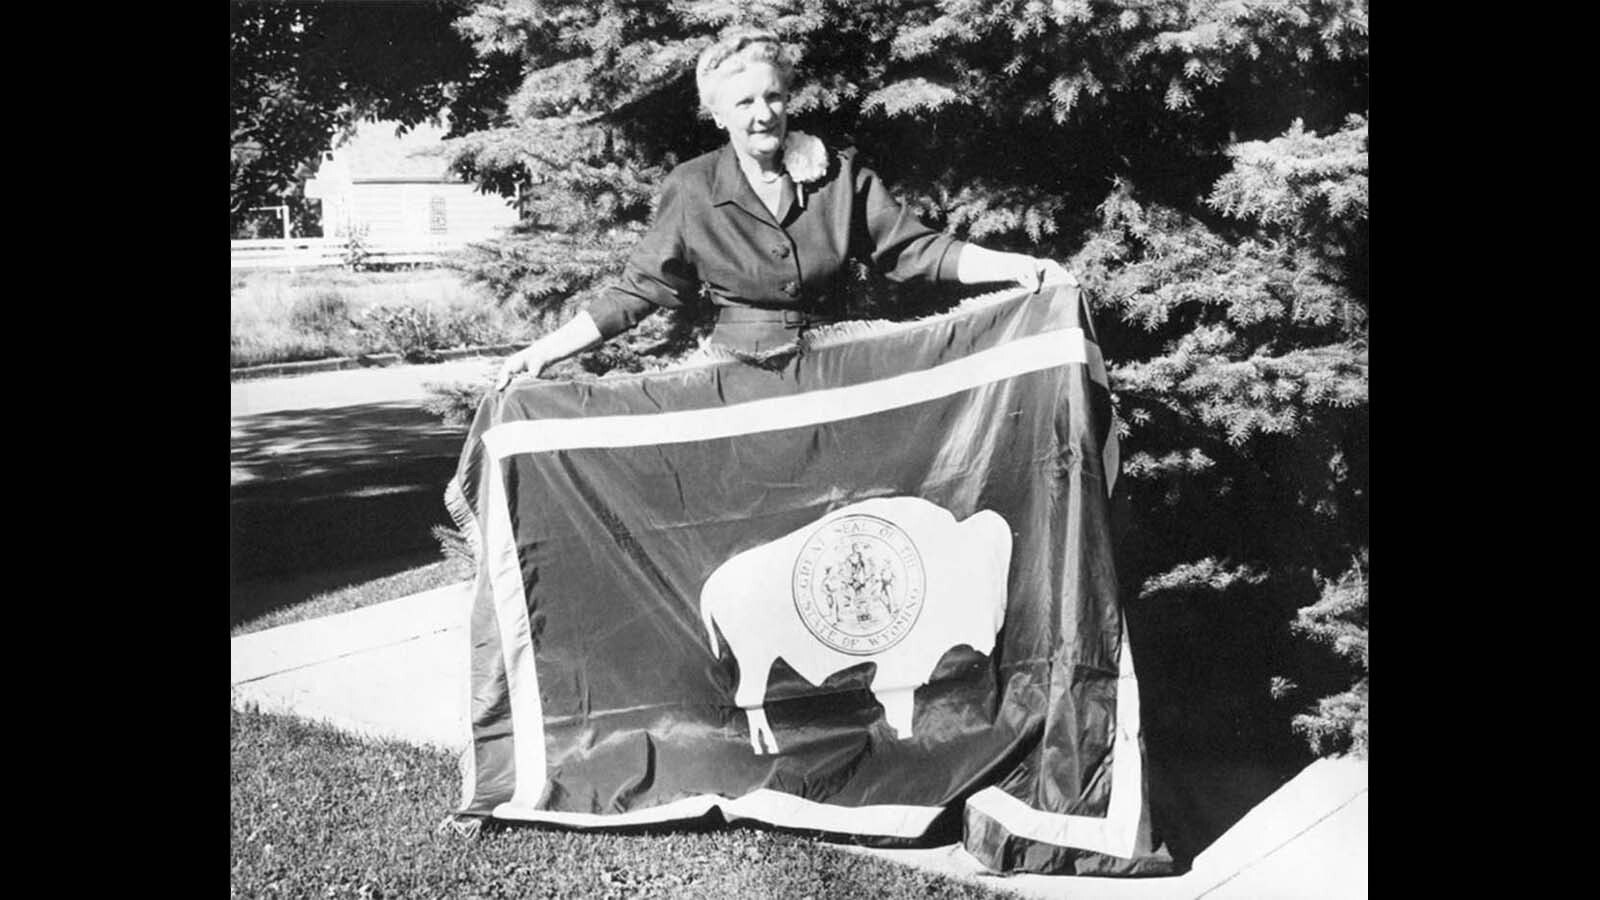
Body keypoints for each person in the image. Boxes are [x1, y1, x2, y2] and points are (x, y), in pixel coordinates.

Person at [495, 26, 1076, 390]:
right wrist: (543, 351)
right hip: (736, 381)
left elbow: (916, 249)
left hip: (838, 374)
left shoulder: (839, 175)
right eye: (744, 102)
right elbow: (640, 290)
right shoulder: (692, 187)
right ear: (717, 115)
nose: (762, 113)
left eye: (773, 96)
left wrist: (1015, 265)